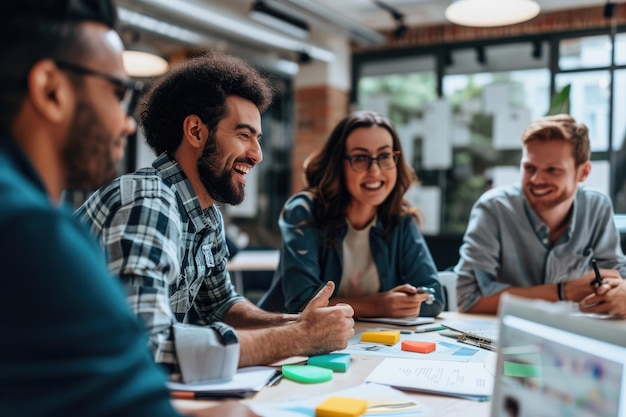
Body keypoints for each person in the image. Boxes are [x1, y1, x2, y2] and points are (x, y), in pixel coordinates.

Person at [0, 1, 257, 416]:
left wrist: (296, 326)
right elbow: (144, 357)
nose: (127, 123)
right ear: (50, 90)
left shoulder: (32, 212)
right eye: (118, 93)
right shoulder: (29, 228)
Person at [76, 51, 355, 384]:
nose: (257, 154)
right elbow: (145, 348)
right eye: (243, 135)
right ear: (196, 132)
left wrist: (297, 323)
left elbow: (220, 306)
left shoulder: (206, 214)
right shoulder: (150, 201)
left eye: (257, 138)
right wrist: (299, 338)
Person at [258, 110, 444, 317]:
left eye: (384, 156)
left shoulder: (401, 220)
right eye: (360, 158)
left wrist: (414, 299)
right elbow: (302, 302)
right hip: (290, 339)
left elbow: (435, 297)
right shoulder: (304, 211)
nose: (375, 170)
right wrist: (378, 306)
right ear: (339, 164)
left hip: (369, 342)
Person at [455, 114, 626, 314]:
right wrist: (563, 291)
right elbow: (468, 300)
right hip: (503, 334)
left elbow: (617, 275)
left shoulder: (596, 206)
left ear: (583, 172)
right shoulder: (494, 209)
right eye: (529, 168)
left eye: (552, 170)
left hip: (573, 331)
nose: (536, 180)